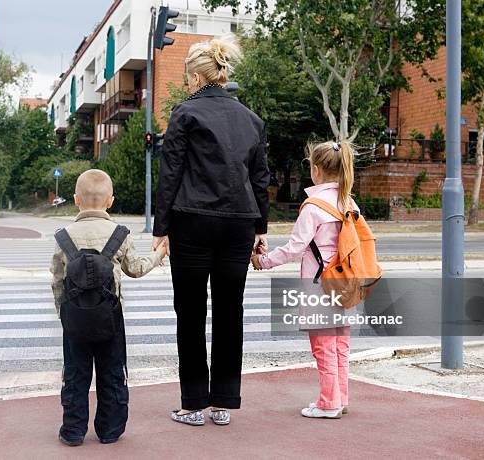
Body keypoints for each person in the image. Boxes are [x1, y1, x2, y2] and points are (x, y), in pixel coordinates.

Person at [152, 35, 270, 426]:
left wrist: (161, 228)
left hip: (193, 220)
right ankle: (223, 403)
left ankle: (192, 405)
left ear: (198, 77)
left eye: (188, 76)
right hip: (239, 225)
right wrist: (260, 227)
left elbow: (171, 174)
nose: (187, 84)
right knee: (229, 311)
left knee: (189, 312)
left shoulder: (185, 114)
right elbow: (260, 178)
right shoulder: (252, 120)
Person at [51, 169, 167, 445]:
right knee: (113, 372)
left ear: (76, 199)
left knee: (75, 374)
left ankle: (73, 430)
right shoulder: (119, 234)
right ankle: (110, 430)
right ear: (111, 201)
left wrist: (64, 316)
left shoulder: (63, 236)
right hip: (111, 319)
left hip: (76, 321)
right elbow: (136, 269)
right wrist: (159, 253)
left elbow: (57, 280)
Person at [251, 141, 357, 419]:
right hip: (347, 283)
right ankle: (340, 398)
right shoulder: (350, 201)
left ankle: (328, 403)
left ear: (316, 169)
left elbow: (294, 249)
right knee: (340, 345)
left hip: (319, 286)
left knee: (323, 347)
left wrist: (263, 260)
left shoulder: (313, 207)